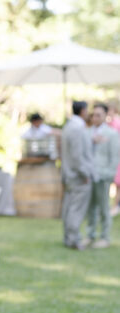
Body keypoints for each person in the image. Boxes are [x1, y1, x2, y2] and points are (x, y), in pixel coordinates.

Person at [83, 103, 120, 249]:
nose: (96, 117)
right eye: (94, 114)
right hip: (89, 175)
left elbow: (114, 157)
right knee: (90, 207)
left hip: (103, 176)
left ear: (105, 116)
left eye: (99, 115)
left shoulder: (111, 134)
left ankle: (104, 236)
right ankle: (90, 235)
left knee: (104, 207)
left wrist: (109, 174)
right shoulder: (87, 133)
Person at [60, 100, 94, 249]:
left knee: (69, 207)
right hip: (77, 176)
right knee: (76, 208)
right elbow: (77, 155)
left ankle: (69, 237)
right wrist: (85, 173)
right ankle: (73, 239)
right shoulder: (77, 128)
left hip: (69, 174)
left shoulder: (69, 126)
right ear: (83, 110)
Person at [109, 103, 120, 216]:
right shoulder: (110, 123)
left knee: (117, 184)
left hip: (117, 156)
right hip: (112, 157)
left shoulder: (116, 122)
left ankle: (114, 206)